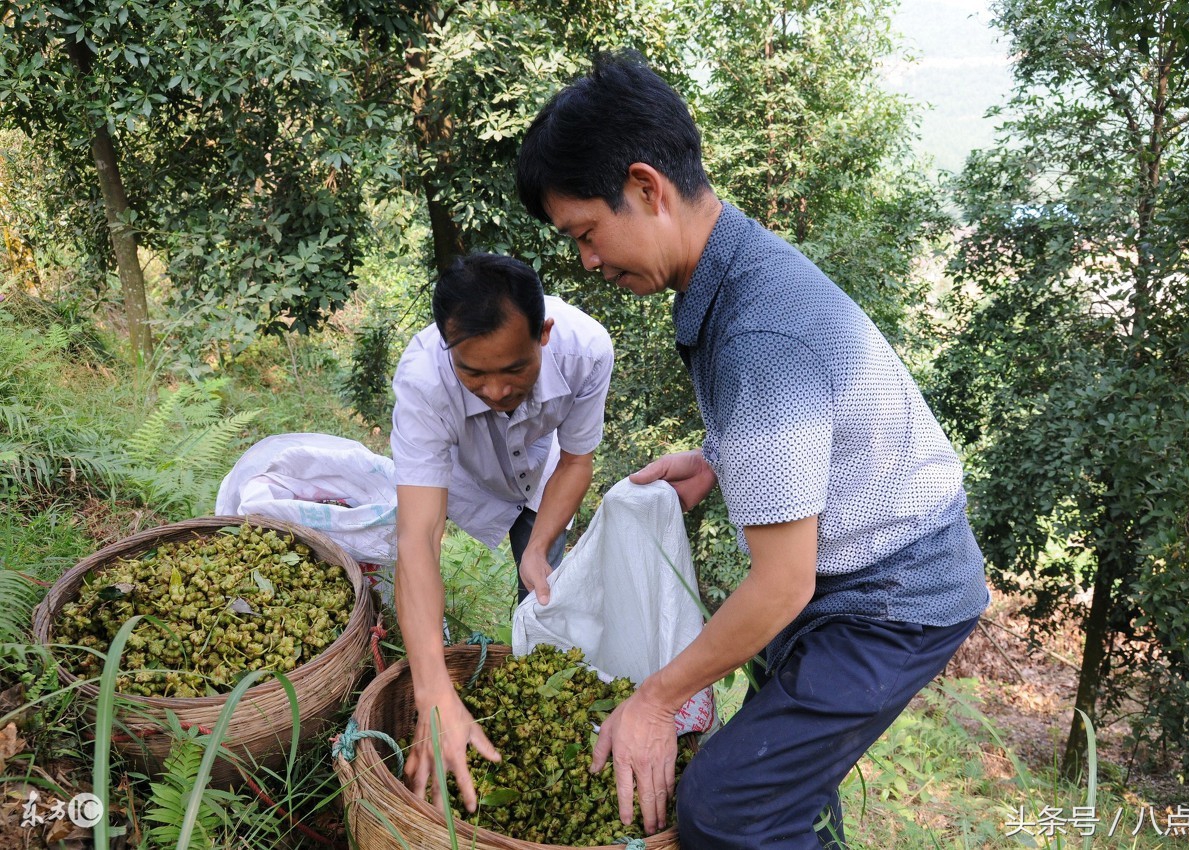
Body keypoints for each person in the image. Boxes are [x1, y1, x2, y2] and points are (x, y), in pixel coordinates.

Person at [515, 53, 990, 849]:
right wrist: (717, 458)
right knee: (782, 785)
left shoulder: (758, 330)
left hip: (891, 597)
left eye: (587, 234)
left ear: (645, 187)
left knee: (724, 809)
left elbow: (781, 584)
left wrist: (655, 701)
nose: (588, 263)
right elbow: (809, 421)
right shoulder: (738, 270)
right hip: (855, 570)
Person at [391, 252, 614, 807]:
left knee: (539, 586)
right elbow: (418, 538)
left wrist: (538, 547)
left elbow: (577, 461)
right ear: (448, 349)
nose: (495, 390)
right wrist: (433, 692)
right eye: (473, 373)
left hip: (544, 474)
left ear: (543, 333)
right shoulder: (423, 382)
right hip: (467, 474)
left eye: (515, 369)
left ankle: (536, 683)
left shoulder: (587, 351)